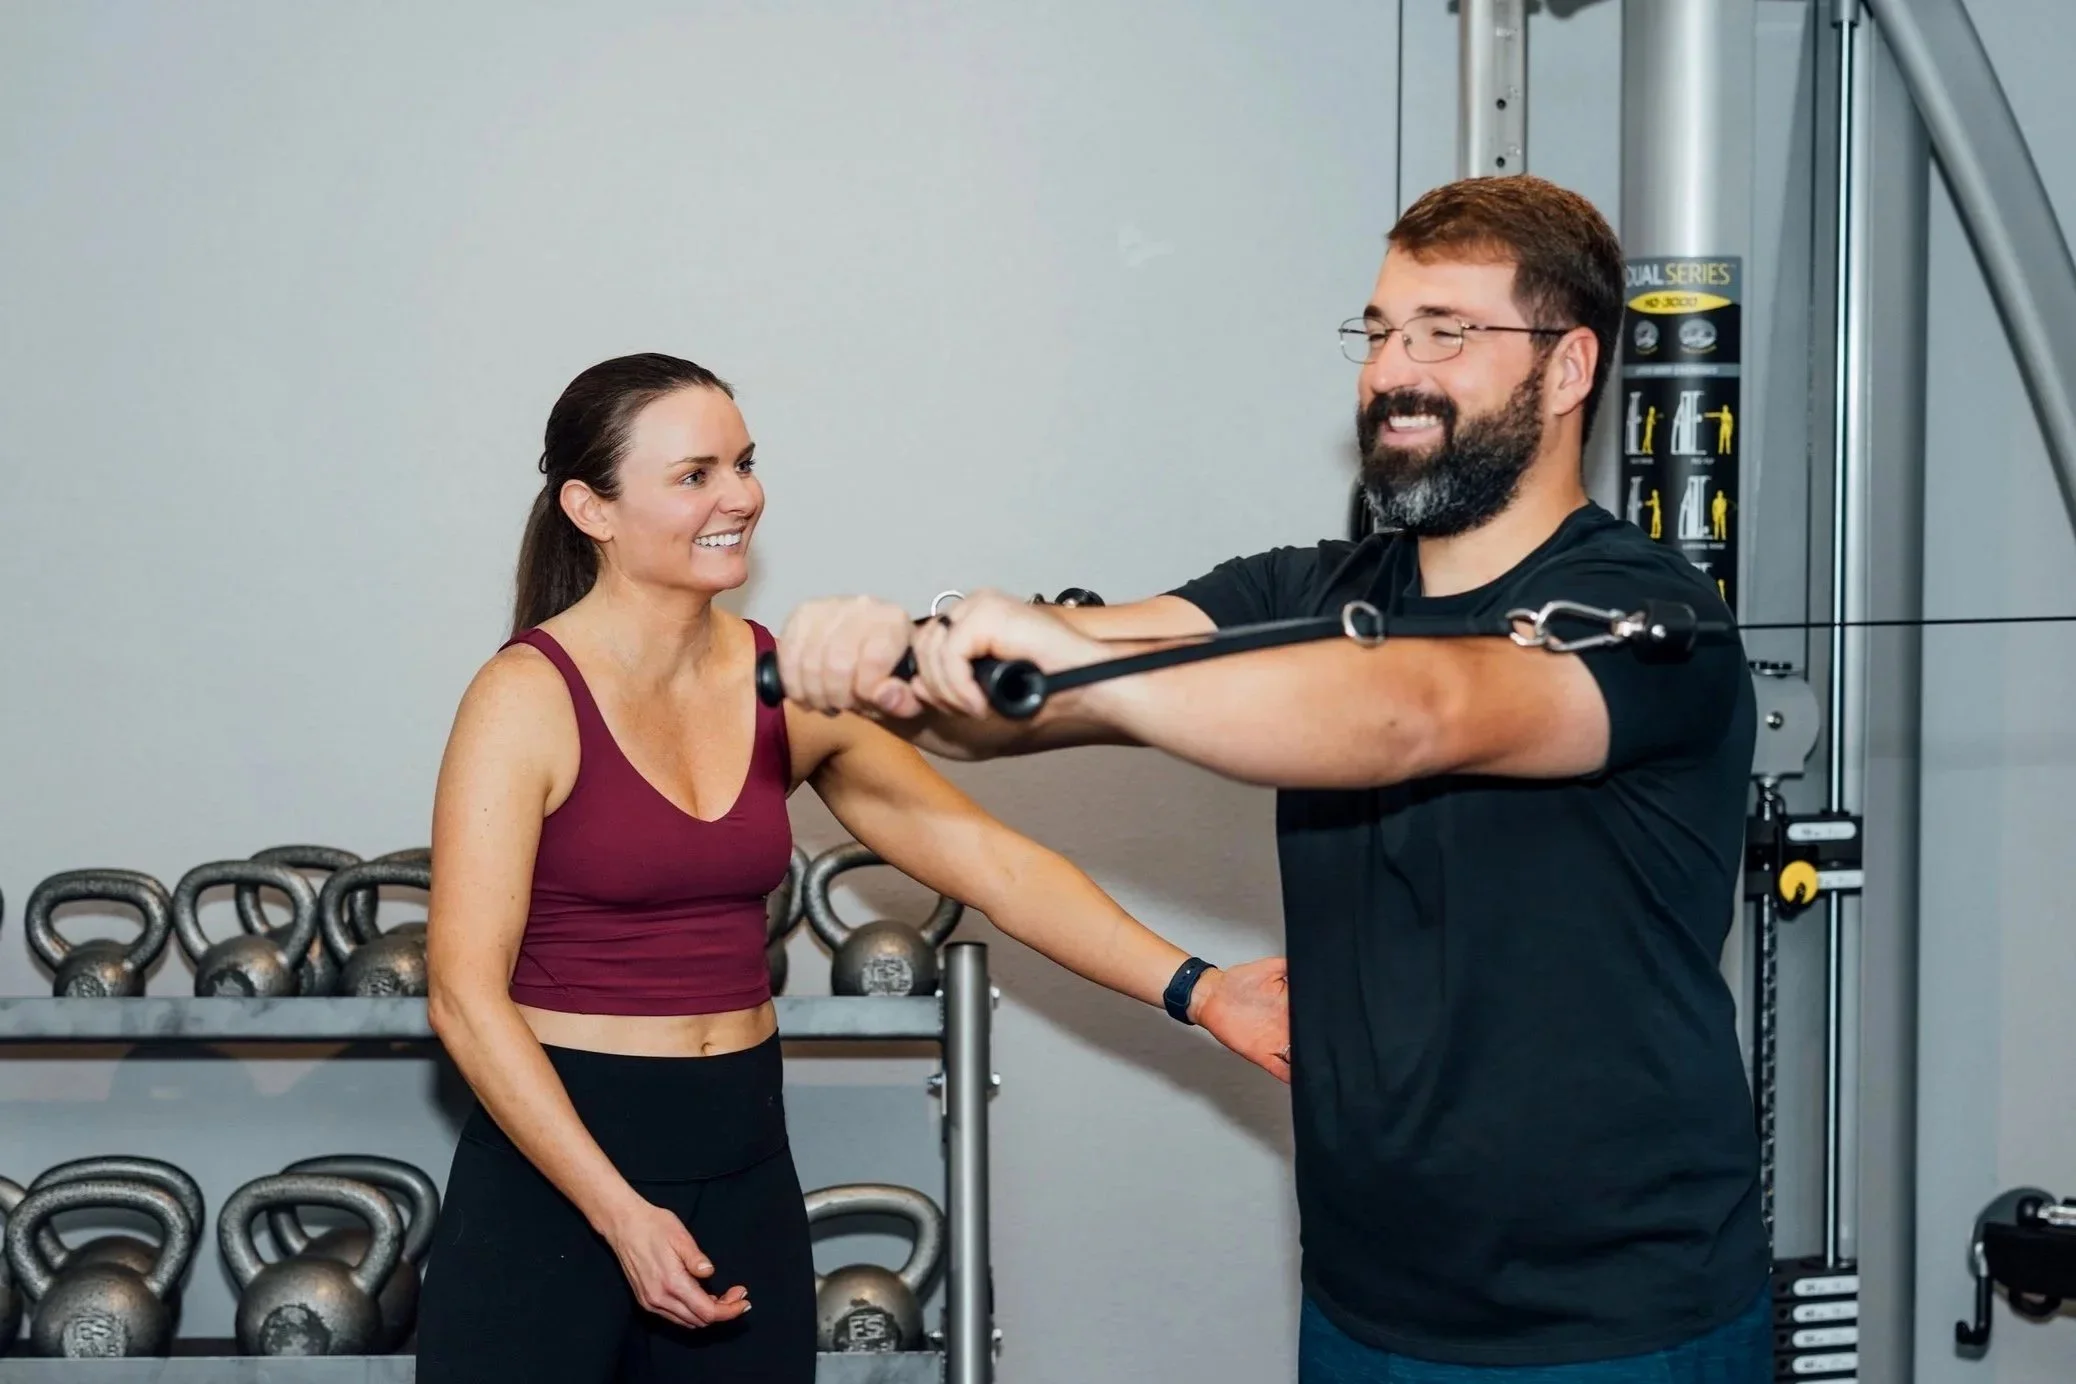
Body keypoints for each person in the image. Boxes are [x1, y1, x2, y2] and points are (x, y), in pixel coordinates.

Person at [774, 176, 1771, 1382]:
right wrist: (897, 661)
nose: (1391, 371)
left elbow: (1412, 713)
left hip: (1618, 1320)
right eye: (1380, 330)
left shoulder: (1650, 613)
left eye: (1444, 333)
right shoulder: (1302, 589)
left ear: (1567, 368)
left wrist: (1072, 664)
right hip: (1364, 1302)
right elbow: (1031, 703)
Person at [412, 353, 1290, 1384]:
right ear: (590, 507)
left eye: (744, 463)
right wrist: (618, 1212)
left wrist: (1201, 989)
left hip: (740, 1159)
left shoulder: (787, 687)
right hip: (557, 1181)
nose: (740, 496)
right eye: (695, 474)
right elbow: (463, 996)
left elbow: (994, 864)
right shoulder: (525, 697)